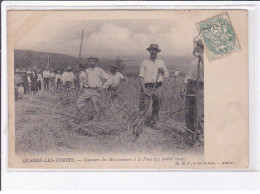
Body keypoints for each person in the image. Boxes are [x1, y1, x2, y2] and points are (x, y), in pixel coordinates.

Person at [139, 43, 169, 127]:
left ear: (157, 52)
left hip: (158, 86)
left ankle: (153, 122)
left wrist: (162, 70)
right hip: (147, 87)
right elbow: (141, 76)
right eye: (151, 50)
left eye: (155, 50)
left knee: (156, 106)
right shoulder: (144, 62)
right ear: (149, 51)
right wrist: (143, 88)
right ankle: (140, 123)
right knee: (144, 105)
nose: (153, 52)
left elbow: (166, 74)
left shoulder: (161, 62)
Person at [75, 56, 111, 123]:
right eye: (91, 61)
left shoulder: (99, 70)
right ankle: (82, 117)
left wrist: (103, 87)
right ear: (89, 62)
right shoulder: (86, 70)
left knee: (96, 107)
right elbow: (82, 81)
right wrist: (81, 88)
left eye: (93, 61)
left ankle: (94, 122)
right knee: (78, 103)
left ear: (96, 62)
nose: (92, 63)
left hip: (96, 91)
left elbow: (110, 79)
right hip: (87, 90)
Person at [181, 36, 204, 140]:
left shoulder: (205, 60)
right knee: (188, 111)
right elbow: (188, 75)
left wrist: (201, 58)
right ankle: (189, 131)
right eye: (196, 45)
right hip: (190, 86)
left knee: (198, 112)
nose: (196, 47)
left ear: (202, 47)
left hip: (200, 87)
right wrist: (184, 86)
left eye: (198, 45)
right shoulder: (193, 61)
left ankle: (199, 134)